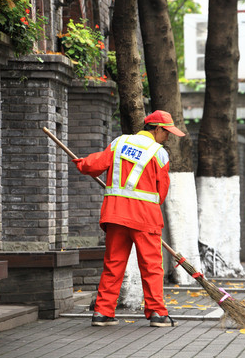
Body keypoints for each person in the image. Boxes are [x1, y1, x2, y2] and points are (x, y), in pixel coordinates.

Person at [72, 110, 185, 327]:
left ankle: (102, 313)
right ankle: (157, 314)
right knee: (151, 266)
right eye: (167, 132)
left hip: (115, 215)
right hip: (145, 219)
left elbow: (94, 165)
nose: (168, 137)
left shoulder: (119, 143)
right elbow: (161, 193)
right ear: (158, 129)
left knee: (113, 264)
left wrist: (82, 163)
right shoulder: (159, 154)